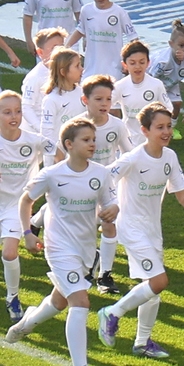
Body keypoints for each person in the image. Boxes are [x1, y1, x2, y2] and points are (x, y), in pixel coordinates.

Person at [97, 103, 184, 358]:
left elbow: (180, 193)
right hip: (131, 227)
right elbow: (105, 179)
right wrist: (111, 206)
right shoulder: (134, 158)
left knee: (152, 290)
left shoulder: (169, 157)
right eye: (160, 127)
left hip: (152, 230)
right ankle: (112, 312)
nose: (166, 131)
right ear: (145, 130)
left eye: (169, 126)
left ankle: (142, 342)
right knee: (159, 281)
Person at [7, 118, 118, 366]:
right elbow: (26, 201)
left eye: (93, 139)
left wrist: (113, 210)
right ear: (69, 144)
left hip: (86, 249)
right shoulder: (52, 175)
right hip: (58, 248)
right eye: (86, 140)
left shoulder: (101, 173)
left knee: (59, 301)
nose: (92, 144)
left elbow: (109, 202)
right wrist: (27, 233)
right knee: (80, 302)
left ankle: (27, 322)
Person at [0, 91, 51, 322]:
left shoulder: (33, 140)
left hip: (15, 206)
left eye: (18, 111)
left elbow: (58, 153)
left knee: (10, 253)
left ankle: (12, 296)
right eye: (7, 112)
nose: (14, 116)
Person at [80, 75, 133, 296]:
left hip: (107, 186)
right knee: (84, 228)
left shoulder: (117, 125)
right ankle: (85, 264)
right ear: (85, 100)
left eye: (108, 99)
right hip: (82, 185)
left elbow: (129, 153)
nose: (104, 104)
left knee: (109, 225)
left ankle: (105, 274)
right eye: (99, 99)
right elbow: (63, 155)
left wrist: (115, 175)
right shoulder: (76, 126)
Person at [65, 0, 138, 81]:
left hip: (114, 71)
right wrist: (65, 47)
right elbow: (80, 30)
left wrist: (131, 61)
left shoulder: (119, 12)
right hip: (91, 70)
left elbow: (133, 39)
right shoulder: (86, 10)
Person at [111, 40, 173, 147]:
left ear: (148, 63)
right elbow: (104, 105)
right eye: (132, 63)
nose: (137, 66)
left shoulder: (156, 85)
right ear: (125, 65)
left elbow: (168, 109)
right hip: (128, 141)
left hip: (151, 141)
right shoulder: (120, 86)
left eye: (141, 62)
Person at [148, 19, 184, 138]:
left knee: (177, 104)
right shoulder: (162, 62)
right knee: (155, 107)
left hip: (171, 83)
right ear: (171, 44)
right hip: (154, 84)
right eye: (181, 46)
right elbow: (149, 80)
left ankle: (171, 129)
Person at [20, 27, 67, 134]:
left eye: (62, 46)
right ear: (40, 52)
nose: (60, 51)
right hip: (39, 134)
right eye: (54, 48)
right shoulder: (35, 77)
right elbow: (26, 107)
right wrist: (41, 129)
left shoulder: (65, 72)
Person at [40, 47, 85, 154]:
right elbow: (46, 132)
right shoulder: (51, 100)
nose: (82, 69)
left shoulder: (83, 93)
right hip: (58, 159)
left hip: (79, 156)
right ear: (63, 72)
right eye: (77, 66)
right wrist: (55, 153)